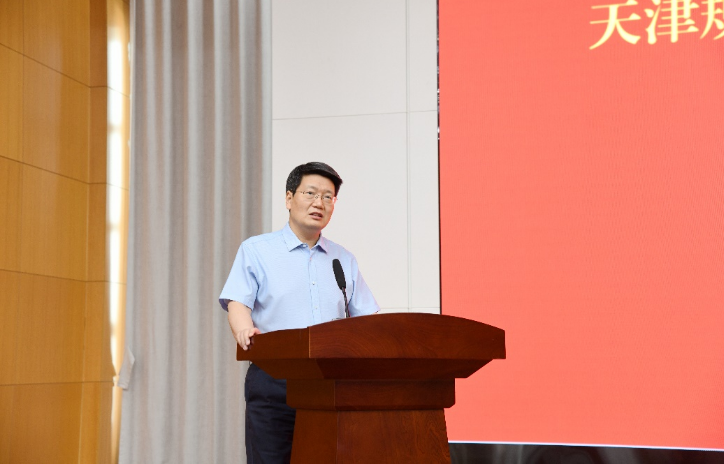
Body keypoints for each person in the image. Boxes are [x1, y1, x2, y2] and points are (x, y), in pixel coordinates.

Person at [219, 162, 379, 463]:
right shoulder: (257, 250)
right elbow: (237, 301)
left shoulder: (343, 259)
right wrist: (244, 329)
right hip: (274, 379)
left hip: (330, 383)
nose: (320, 203)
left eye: (328, 197)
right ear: (289, 198)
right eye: (311, 193)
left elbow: (366, 319)